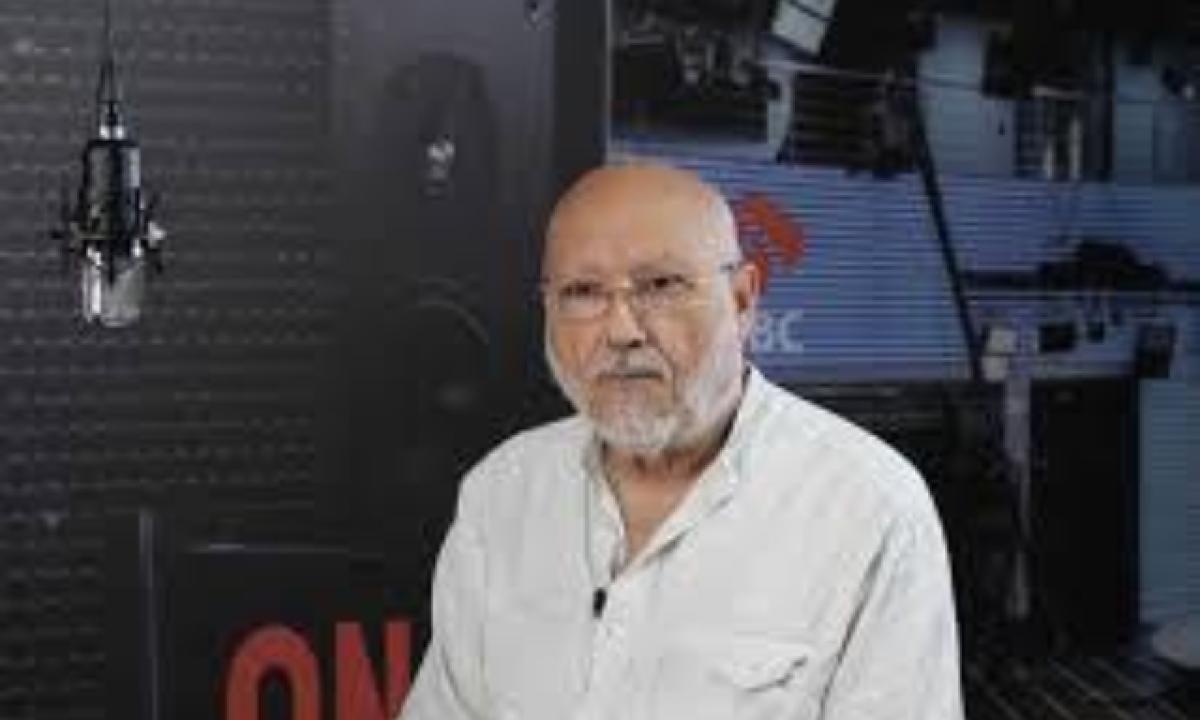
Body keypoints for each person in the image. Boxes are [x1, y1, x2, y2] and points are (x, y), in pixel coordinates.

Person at [399, 162, 963, 720]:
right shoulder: (503, 494)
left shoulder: (868, 509)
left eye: (661, 286)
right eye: (583, 292)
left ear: (742, 301)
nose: (621, 330)